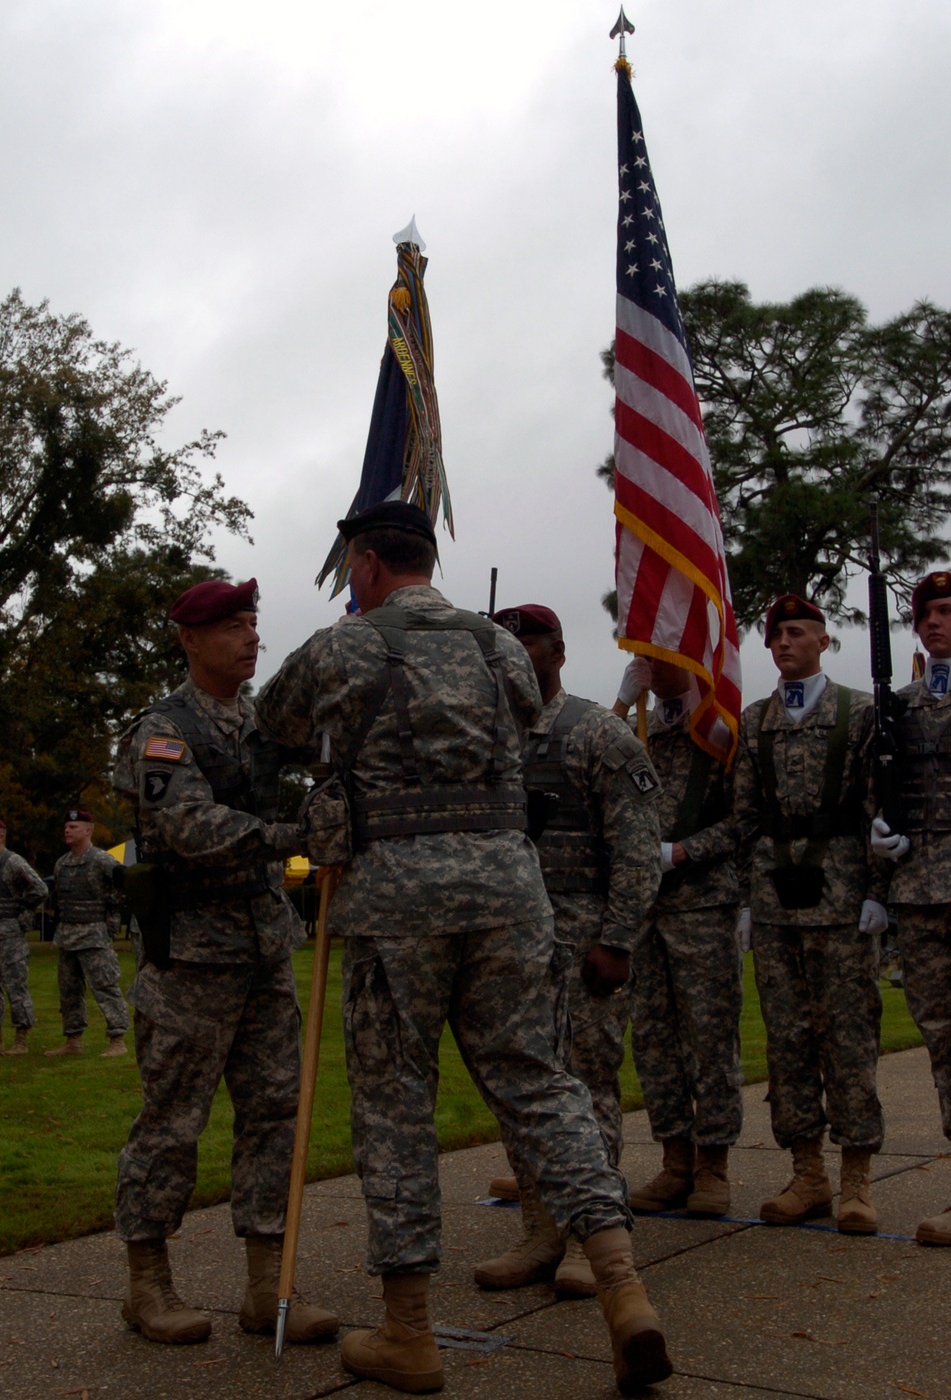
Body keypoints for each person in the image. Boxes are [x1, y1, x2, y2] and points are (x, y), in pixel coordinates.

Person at [256, 502, 673, 1397]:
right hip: (510, 894)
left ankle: (409, 1331)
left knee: (396, 1105)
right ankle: (623, 1287)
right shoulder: (503, 649)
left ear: (365, 563)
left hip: (397, 900)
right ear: (429, 557)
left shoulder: (347, 645)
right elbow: (522, 735)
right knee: (539, 1082)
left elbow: (276, 723)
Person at [112, 577, 338, 1348]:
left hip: (264, 951)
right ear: (189, 639)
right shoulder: (161, 731)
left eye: (253, 623)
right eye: (233, 626)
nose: (250, 637)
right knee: (172, 1123)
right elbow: (189, 825)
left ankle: (267, 1287)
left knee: (276, 1113)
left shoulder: (263, 724)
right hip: (191, 962)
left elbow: (326, 746)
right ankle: (148, 1285)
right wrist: (292, 836)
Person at [473, 604, 661, 1297]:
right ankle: (538, 1229)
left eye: (529, 641)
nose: (516, 654)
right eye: (503, 644)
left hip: (581, 946)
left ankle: (592, 1234)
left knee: (587, 1089)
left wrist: (616, 941)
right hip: (507, 949)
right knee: (521, 1092)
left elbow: (639, 851)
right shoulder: (484, 739)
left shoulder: (598, 734)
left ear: (558, 650)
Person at [734, 594, 887, 1233]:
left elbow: (879, 809)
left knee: (848, 1040)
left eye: (796, 633)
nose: (783, 644)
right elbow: (745, 815)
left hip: (842, 896)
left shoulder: (858, 713)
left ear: (824, 641)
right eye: (775, 636)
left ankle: (856, 1178)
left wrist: (879, 890)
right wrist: (745, 897)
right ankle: (807, 1173)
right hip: (774, 902)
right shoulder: (753, 720)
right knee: (788, 1041)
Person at [614, 656, 743, 1218]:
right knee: (654, 1038)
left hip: (701, 901)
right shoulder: (638, 728)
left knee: (709, 1035)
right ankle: (675, 1161)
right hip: (644, 906)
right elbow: (594, 769)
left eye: (666, 653)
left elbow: (745, 817)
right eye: (645, 653)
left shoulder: (715, 729)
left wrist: (686, 851)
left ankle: (713, 1165)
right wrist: (621, 705)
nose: (653, 665)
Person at [870, 569, 951, 1244]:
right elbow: (882, 788)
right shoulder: (899, 707)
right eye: (927, 614)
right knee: (943, 1040)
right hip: (921, 891)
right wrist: (880, 834)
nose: (935, 623)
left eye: (948, 611)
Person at [44, 809, 129, 1059]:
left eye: (74, 827)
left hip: (94, 935)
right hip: (68, 936)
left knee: (105, 986)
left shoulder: (102, 860)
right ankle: (73, 1040)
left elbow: (122, 888)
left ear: (88, 830)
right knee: (68, 990)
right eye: (66, 828)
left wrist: (111, 921)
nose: (67, 831)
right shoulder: (62, 863)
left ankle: (117, 1038)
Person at [0, 817, 47, 1055]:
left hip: (9, 936)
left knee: (15, 986)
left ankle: (21, 1039)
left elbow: (39, 889)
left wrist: (20, 908)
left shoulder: (13, 862)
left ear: (0, 836)